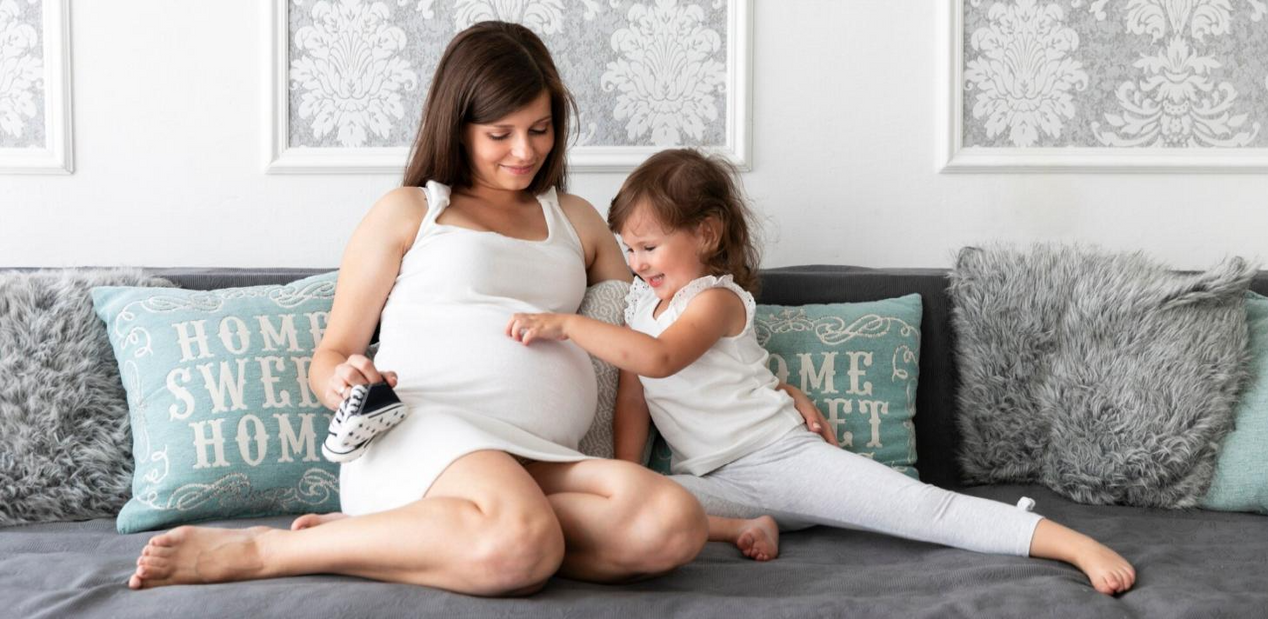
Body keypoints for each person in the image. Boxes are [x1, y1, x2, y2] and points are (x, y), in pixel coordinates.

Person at [127, 22, 714, 596]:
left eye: (540, 130)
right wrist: (344, 381)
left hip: (538, 457)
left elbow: (652, 326)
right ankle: (267, 551)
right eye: (500, 134)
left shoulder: (578, 219)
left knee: (671, 521)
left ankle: (412, 536)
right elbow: (331, 354)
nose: (525, 151)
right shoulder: (411, 211)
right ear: (458, 127)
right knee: (523, 538)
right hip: (421, 437)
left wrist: (761, 388)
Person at [506, 148, 1139, 595]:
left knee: (922, 511)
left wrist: (566, 325)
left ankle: (1070, 544)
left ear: (705, 233)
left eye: (648, 248)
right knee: (619, 512)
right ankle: (739, 530)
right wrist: (626, 474)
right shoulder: (643, 305)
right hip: (716, 483)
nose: (637, 263)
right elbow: (637, 397)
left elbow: (661, 359)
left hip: (784, 461)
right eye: (628, 250)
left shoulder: (717, 300)